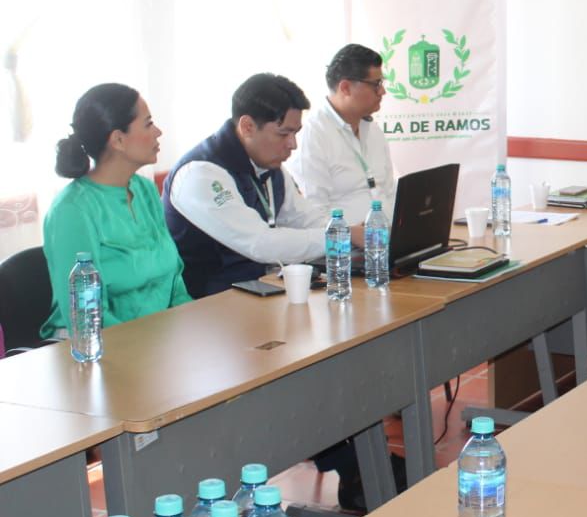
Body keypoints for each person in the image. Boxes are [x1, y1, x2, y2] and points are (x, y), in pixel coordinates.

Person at [163, 73, 363, 299]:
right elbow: (259, 243)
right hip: (207, 303)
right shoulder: (200, 174)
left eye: (295, 133)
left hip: (259, 289)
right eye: (283, 134)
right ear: (247, 126)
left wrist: (351, 231)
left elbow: (303, 217)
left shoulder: (268, 164)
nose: (293, 144)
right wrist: (341, 236)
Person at [40, 84, 192, 338]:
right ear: (118, 140)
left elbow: (175, 283)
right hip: (98, 345)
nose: (158, 132)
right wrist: (149, 346)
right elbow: (86, 317)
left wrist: (194, 322)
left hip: (157, 337)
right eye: (148, 124)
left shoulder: (144, 189)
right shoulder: (72, 210)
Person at [288, 44, 396, 223]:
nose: (382, 91)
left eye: (382, 83)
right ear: (345, 88)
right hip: (346, 239)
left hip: (388, 234)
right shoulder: (313, 134)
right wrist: (355, 235)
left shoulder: (373, 129)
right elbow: (314, 215)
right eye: (376, 84)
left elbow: (389, 192)